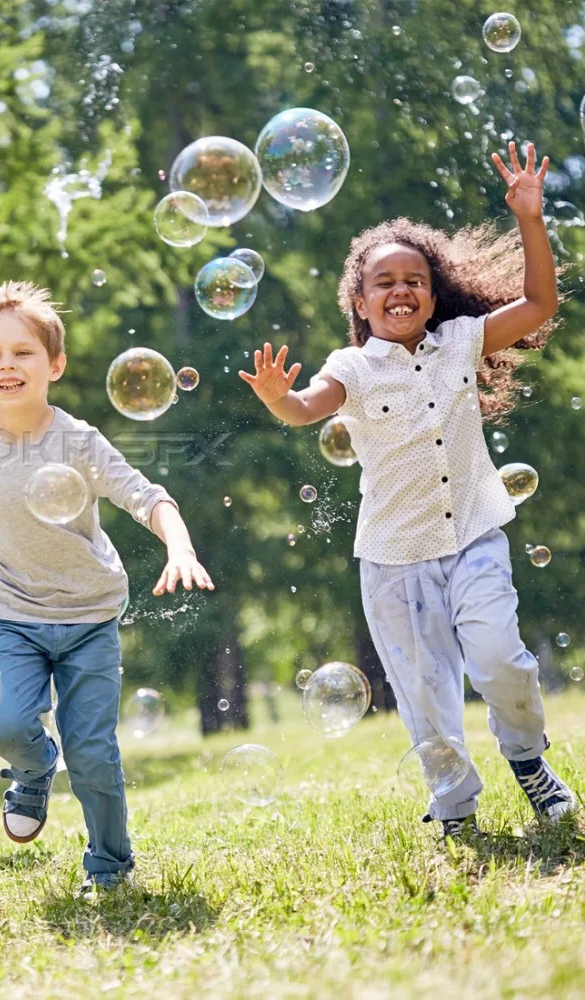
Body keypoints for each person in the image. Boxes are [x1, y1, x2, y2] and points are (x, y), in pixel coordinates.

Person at [240, 142, 576, 837]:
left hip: (475, 536)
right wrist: (279, 397)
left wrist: (530, 219)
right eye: (383, 281)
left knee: (502, 661)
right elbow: (308, 407)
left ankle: (528, 761)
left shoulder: (461, 340)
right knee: (425, 699)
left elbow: (541, 304)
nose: (400, 290)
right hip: (394, 560)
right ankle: (454, 810)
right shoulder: (353, 367)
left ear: (434, 290)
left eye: (414, 279)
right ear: (359, 301)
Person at [0, 281, 214, 894]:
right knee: (2, 725)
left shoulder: (78, 441)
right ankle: (33, 770)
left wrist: (180, 546)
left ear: (53, 364)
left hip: (89, 615)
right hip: (11, 615)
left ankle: (110, 867)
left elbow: (146, 497)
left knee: (94, 754)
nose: (8, 364)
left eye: (23, 352)